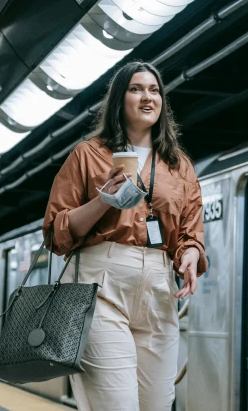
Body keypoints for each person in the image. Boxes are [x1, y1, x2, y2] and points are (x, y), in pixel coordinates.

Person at [42, 60, 207, 411]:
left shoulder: (179, 164)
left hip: (160, 291)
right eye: (136, 89)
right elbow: (57, 235)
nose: (148, 97)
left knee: (157, 406)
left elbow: (190, 231)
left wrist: (190, 254)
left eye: (154, 90)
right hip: (100, 287)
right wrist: (104, 201)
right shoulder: (88, 155)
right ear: (119, 100)